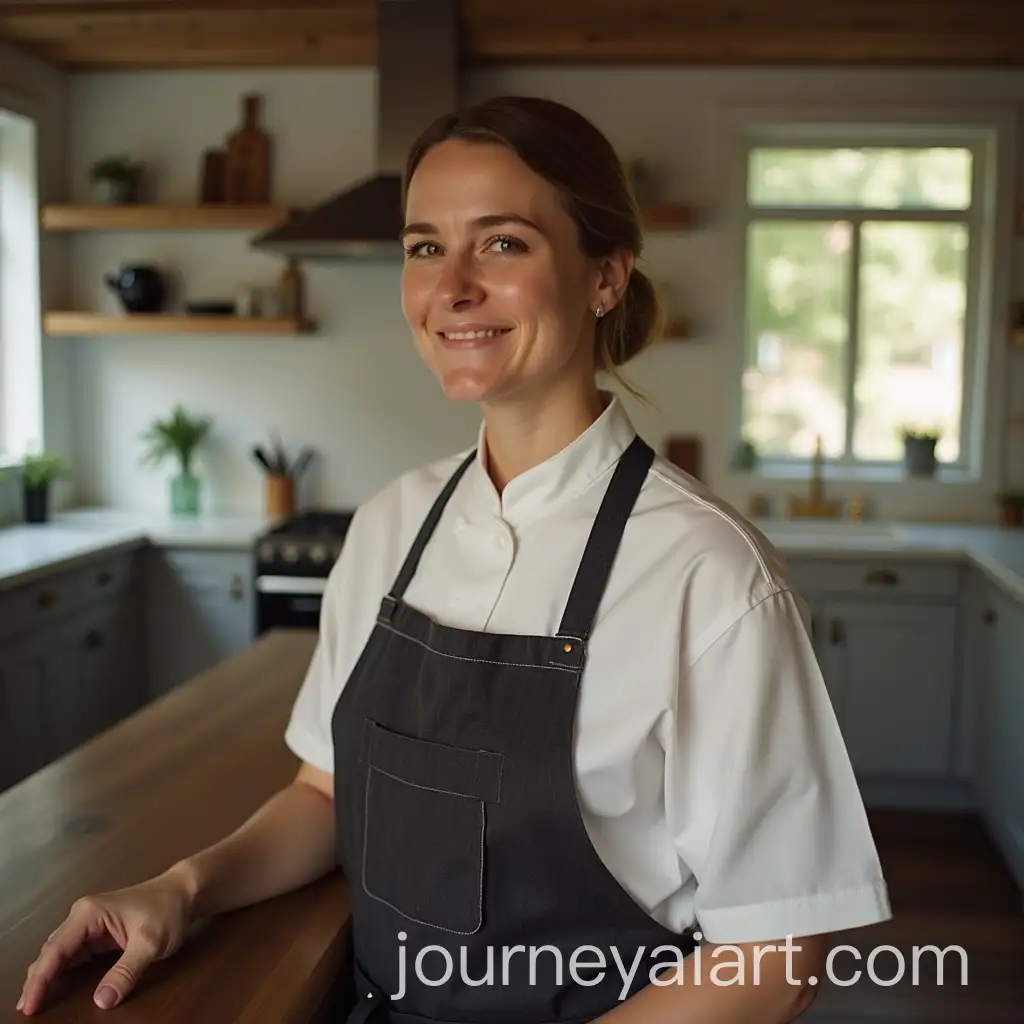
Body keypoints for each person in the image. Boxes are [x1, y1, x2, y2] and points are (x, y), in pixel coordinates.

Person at [18, 95, 891, 1023]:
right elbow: (324, 795)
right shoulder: (392, 526)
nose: (452, 287)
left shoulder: (710, 576)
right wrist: (184, 888)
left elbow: (774, 954)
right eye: (425, 246)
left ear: (606, 276)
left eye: (504, 243)